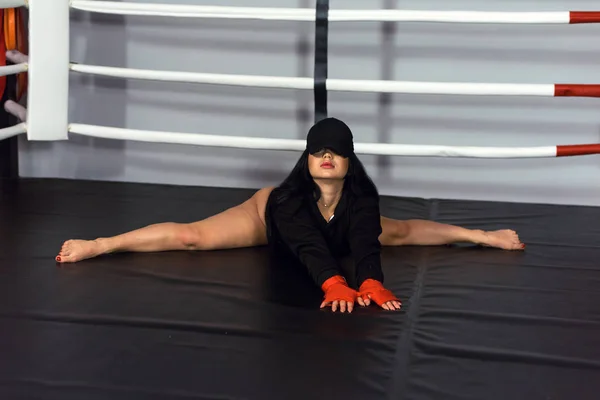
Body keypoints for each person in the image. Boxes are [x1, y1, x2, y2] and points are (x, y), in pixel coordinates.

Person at [56, 118, 525, 313]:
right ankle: (102, 243)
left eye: (335, 153)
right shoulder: (283, 199)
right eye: (317, 151)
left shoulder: (361, 196)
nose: (326, 158)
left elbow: (367, 240)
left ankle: (481, 235)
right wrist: (334, 282)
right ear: (306, 159)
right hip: (273, 222)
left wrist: (370, 279)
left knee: (397, 232)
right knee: (194, 238)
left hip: (335, 220)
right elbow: (306, 245)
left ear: (348, 161)